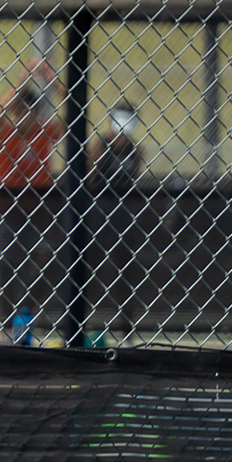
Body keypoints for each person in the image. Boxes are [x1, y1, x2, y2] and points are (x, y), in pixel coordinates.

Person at [0, 57, 65, 342]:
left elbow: (77, 113)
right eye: (21, 111)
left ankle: (24, 318)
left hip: (34, 211)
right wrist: (24, 79)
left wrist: (51, 79)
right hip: (0, 210)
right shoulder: (3, 134)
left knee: (45, 259)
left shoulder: (44, 133)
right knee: (0, 265)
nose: (26, 117)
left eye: (32, 111)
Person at [86, 102, 147, 345]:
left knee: (126, 276)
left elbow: (136, 179)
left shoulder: (135, 149)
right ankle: (84, 325)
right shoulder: (100, 146)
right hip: (99, 217)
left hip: (124, 220)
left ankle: (127, 332)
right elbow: (89, 177)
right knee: (90, 273)